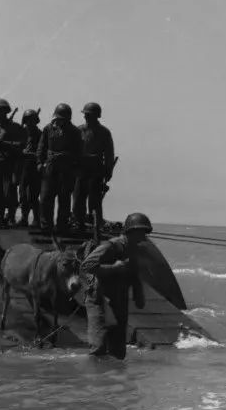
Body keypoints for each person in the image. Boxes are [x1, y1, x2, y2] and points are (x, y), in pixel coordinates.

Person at [79, 211, 151, 359]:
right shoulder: (111, 246)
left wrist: (139, 295)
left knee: (118, 351)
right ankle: (94, 378)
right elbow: (85, 267)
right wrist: (114, 268)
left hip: (119, 301)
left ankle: (113, 380)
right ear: (131, 231)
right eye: (141, 232)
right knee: (98, 347)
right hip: (100, 300)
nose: (144, 236)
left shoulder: (134, 249)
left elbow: (134, 274)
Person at [36, 103, 82, 233]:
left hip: (67, 168)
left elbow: (79, 151)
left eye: (62, 118)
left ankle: (62, 226)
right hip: (50, 167)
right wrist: (39, 163)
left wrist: (75, 166)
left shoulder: (75, 132)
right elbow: (41, 147)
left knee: (64, 198)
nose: (59, 120)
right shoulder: (48, 129)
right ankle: (46, 226)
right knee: (45, 197)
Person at [72, 102, 116, 234]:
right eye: (85, 114)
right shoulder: (78, 130)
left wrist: (108, 171)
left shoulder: (104, 132)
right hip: (80, 170)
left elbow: (109, 153)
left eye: (89, 114)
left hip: (96, 170)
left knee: (94, 201)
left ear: (96, 116)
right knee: (78, 198)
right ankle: (78, 223)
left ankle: (95, 225)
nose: (86, 116)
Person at [0, 98, 26, 227]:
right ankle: (0, 217)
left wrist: (6, 144)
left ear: (6, 112)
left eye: (2, 111)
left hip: (9, 162)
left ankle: (11, 217)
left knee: (10, 191)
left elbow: (22, 145)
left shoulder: (15, 127)